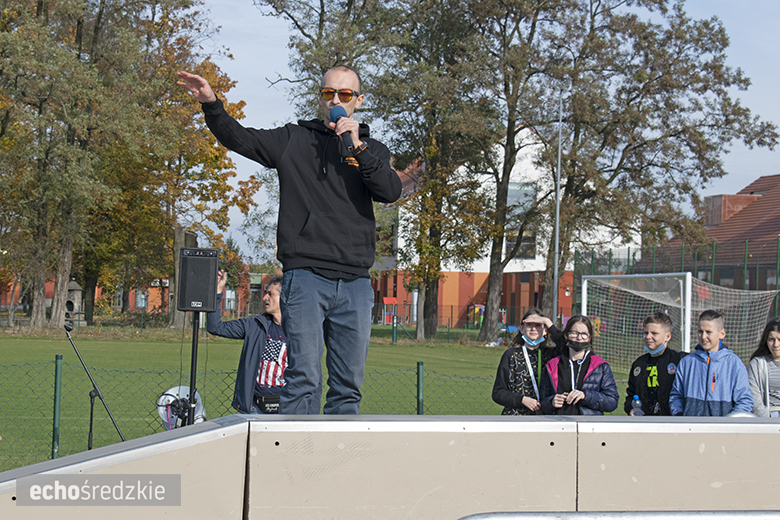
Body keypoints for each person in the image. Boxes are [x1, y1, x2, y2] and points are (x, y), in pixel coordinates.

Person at [178, 66, 402, 414]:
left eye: (345, 95)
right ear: (321, 97)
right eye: (329, 93)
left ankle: (336, 461)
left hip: (356, 281)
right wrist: (212, 104)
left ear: (358, 101)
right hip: (307, 277)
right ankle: (291, 462)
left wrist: (357, 146)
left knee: (347, 387)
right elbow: (241, 138)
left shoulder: (372, 150)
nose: (336, 101)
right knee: (303, 378)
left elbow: (390, 190)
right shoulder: (294, 139)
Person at [206, 272, 287, 414]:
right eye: (265, 293)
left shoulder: (300, 332)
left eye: (270, 294)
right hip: (256, 409)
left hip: (287, 408)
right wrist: (218, 291)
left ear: (284, 297)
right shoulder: (254, 325)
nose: (264, 298)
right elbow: (215, 327)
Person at [669, 309, 753, 416]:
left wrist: (730, 423)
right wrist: (679, 415)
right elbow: (676, 395)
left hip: (723, 431)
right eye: (700, 331)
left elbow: (744, 401)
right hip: (691, 429)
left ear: (722, 333)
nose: (703, 336)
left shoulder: (734, 364)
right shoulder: (687, 362)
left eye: (709, 332)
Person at [539, 315, 618, 415]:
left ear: (590, 338)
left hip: (589, 426)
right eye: (574, 333)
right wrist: (551, 402)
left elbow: (612, 402)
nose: (579, 338)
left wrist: (586, 396)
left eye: (584, 334)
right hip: (560, 425)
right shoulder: (552, 365)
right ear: (566, 335)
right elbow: (543, 401)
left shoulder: (601, 366)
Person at [491, 308, 563, 415]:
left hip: (545, 418)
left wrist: (548, 323)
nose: (533, 328)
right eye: (529, 325)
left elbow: (566, 346)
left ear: (545, 330)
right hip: (516, 417)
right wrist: (522, 400)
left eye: (538, 325)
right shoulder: (511, 355)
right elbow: (498, 393)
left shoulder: (551, 355)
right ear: (521, 329)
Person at [623, 311, 685, 416]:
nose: (648, 337)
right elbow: (630, 395)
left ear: (668, 337)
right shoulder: (638, 364)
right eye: (646, 333)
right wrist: (630, 408)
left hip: (672, 424)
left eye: (654, 333)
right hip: (645, 425)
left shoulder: (680, 361)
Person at [747, 318, 780, 417]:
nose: (776, 345)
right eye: (771, 340)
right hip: (769, 415)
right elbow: (754, 397)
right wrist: (767, 419)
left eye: (779, 339)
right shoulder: (757, 364)